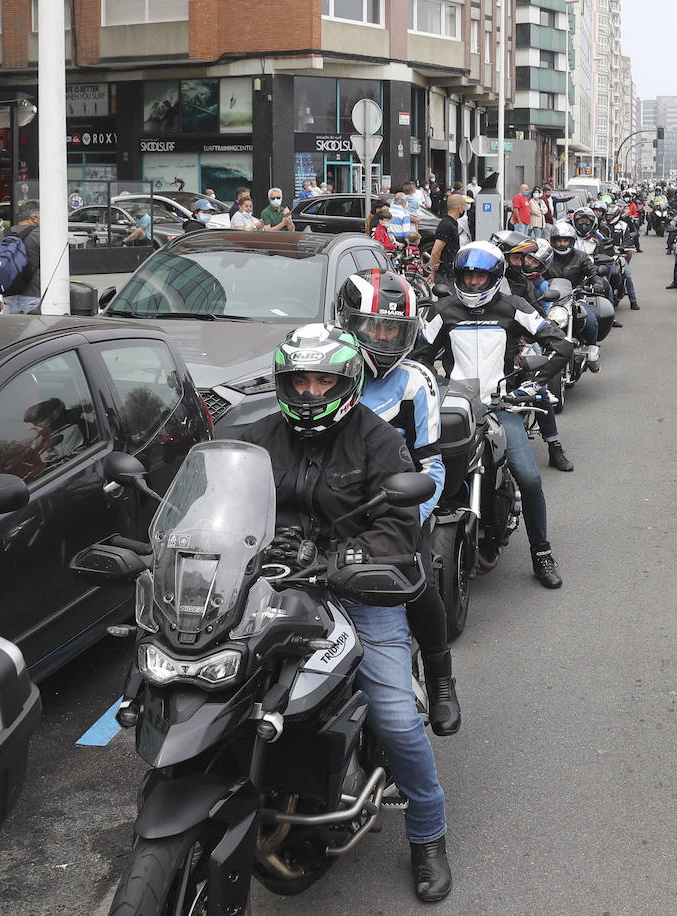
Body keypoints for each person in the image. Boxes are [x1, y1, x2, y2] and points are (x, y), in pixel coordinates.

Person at [239, 324, 453, 902]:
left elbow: (399, 523)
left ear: (346, 380)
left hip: (354, 590)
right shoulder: (259, 435)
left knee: (394, 714)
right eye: (299, 380)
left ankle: (427, 833)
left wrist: (347, 559)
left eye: (321, 379)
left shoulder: (377, 440)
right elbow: (222, 497)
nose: (309, 392)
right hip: (270, 589)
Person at [335, 271, 462, 737]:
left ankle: (441, 679)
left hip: (398, 509)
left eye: (394, 329)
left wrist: (407, 520)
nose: (385, 339)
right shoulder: (326, 370)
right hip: (333, 506)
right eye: (375, 327)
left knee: (420, 582)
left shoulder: (415, 381)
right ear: (348, 322)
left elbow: (433, 466)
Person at [413, 243, 572, 588]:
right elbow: (417, 357)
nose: (472, 283)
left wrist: (531, 386)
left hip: (502, 409)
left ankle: (541, 554)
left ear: (494, 277)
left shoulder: (513, 307)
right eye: (467, 275)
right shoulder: (443, 312)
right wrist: (437, 386)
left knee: (529, 479)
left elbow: (561, 345)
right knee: (425, 476)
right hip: (456, 410)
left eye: (480, 276)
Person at [491, 230, 577, 470]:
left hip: (516, 344)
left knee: (536, 389)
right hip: (484, 348)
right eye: (518, 258)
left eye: (523, 259)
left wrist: (539, 331)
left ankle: (554, 446)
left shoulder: (524, 284)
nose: (522, 264)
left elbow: (535, 317)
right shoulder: (475, 284)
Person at [544, 221, 609, 351]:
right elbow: (537, 272)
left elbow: (593, 272)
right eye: (559, 241)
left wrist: (597, 283)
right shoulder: (546, 256)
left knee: (591, 323)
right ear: (553, 241)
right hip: (548, 299)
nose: (562, 244)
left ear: (572, 242)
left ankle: (591, 351)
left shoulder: (581, 256)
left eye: (565, 241)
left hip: (575, 298)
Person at [428, 194, 469, 287]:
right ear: (459, 207)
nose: (464, 210)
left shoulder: (451, 223)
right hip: (445, 275)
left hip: (450, 272)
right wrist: (433, 273)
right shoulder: (446, 225)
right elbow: (435, 252)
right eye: (464, 207)